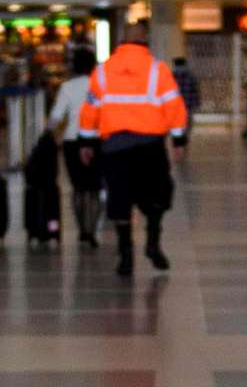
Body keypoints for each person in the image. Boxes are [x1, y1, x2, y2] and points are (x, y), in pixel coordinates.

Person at [84, 20, 189, 276]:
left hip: (114, 148)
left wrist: (86, 141)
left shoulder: (102, 71)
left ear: (121, 42)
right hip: (150, 147)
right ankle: (153, 242)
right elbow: (174, 106)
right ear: (145, 41)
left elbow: (90, 108)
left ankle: (126, 254)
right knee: (157, 196)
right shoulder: (158, 70)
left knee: (120, 199)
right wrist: (178, 140)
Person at [45, 46, 103, 250]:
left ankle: (82, 230)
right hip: (97, 141)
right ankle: (93, 228)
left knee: (78, 188)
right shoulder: (100, 86)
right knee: (95, 189)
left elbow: (56, 117)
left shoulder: (67, 87)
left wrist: (48, 132)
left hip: (72, 142)